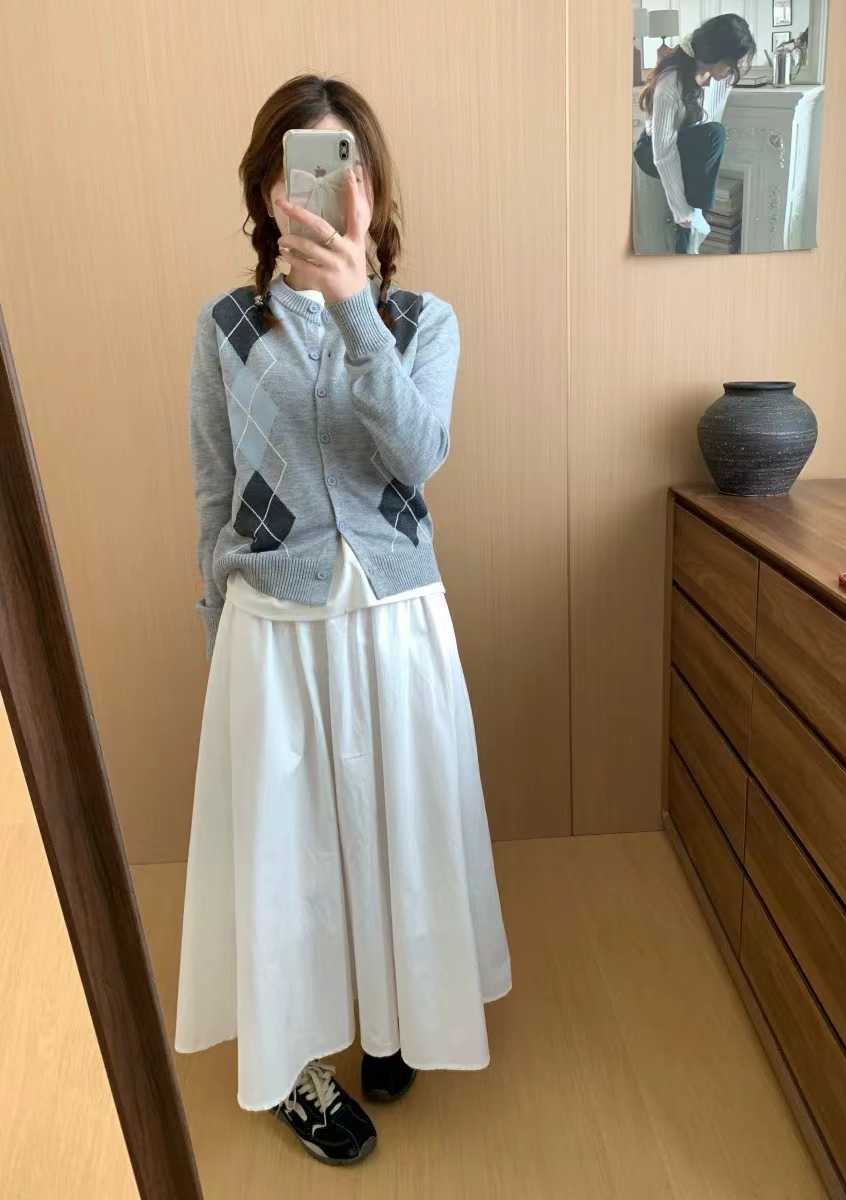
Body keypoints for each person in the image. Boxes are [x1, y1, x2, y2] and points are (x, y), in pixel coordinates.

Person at [173, 73, 512, 1167]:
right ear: (266, 188)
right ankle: (295, 1066)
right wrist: (219, 627)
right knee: (291, 850)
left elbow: (415, 456)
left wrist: (358, 304)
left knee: (395, 828)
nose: (320, 187)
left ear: (371, 184)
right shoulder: (227, 327)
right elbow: (214, 493)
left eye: (341, 163)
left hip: (396, 618)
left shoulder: (421, 321)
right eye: (298, 166)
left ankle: (394, 1014)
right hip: (272, 624)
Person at [634, 15, 756, 254]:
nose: (734, 70)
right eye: (731, 63)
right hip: (651, 151)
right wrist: (683, 212)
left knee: (712, 136)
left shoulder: (719, 78)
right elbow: (664, 152)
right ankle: (689, 230)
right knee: (715, 135)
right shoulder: (670, 84)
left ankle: (689, 240)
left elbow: (709, 121)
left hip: (684, 143)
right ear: (714, 54)